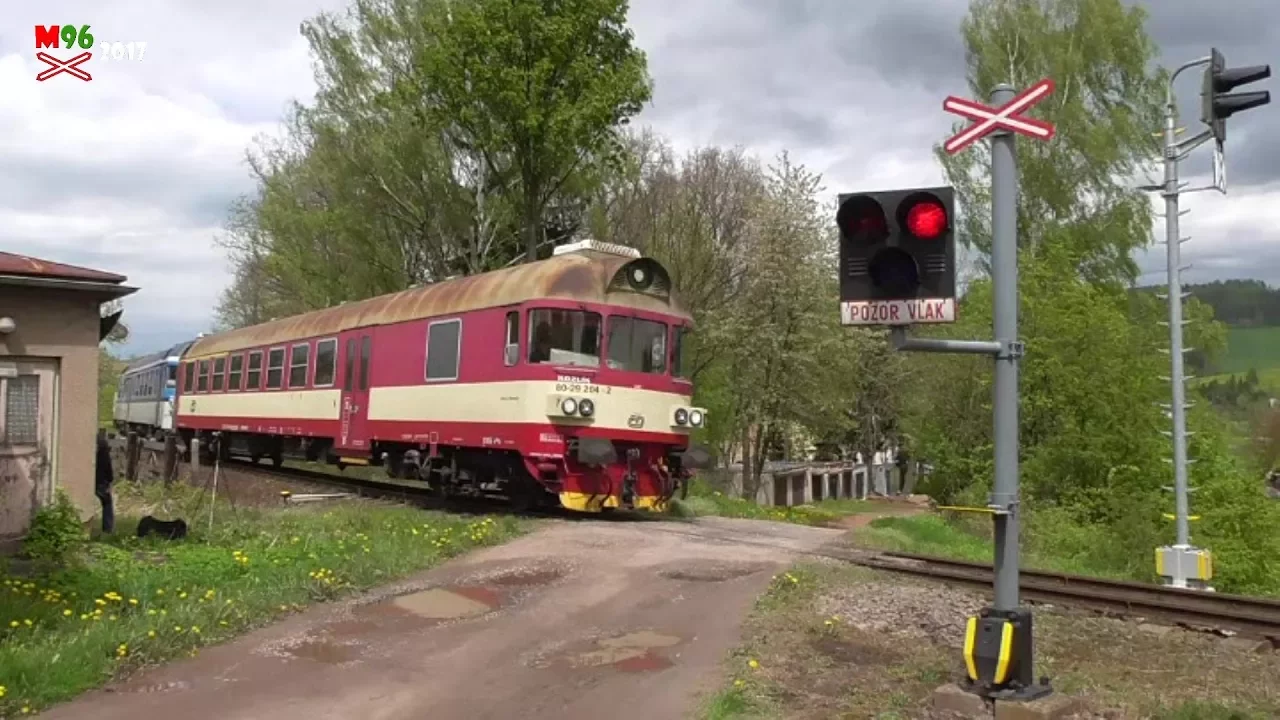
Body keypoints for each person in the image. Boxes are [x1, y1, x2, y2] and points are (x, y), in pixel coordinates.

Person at [94, 429, 115, 534]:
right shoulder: (102, 444)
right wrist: (110, 478)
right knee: (107, 503)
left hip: (89, 477)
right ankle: (108, 528)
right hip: (100, 480)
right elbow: (107, 464)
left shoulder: (89, 442)